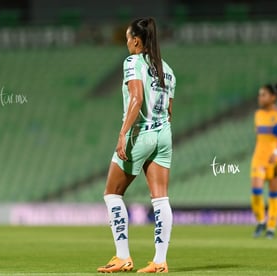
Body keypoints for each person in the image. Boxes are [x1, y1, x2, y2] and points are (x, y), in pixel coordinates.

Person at [97, 17, 176, 273]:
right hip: (164, 134)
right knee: (161, 198)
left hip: (140, 134)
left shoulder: (132, 62)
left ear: (136, 40)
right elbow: (170, 111)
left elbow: (136, 97)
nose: (127, 43)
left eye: (128, 39)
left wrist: (123, 133)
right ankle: (160, 261)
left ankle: (123, 257)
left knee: (112, 193)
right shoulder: (167, 70)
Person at [250, 83, 277, 239]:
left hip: (276, 158)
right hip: (259, 158)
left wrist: (276, 151)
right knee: (256, 191)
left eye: (263, 95)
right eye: (259, 94)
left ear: (273, 97)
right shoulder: (257, 114)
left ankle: (271, 227)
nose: (260, 98)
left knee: (274, 194)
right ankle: (261, 220)